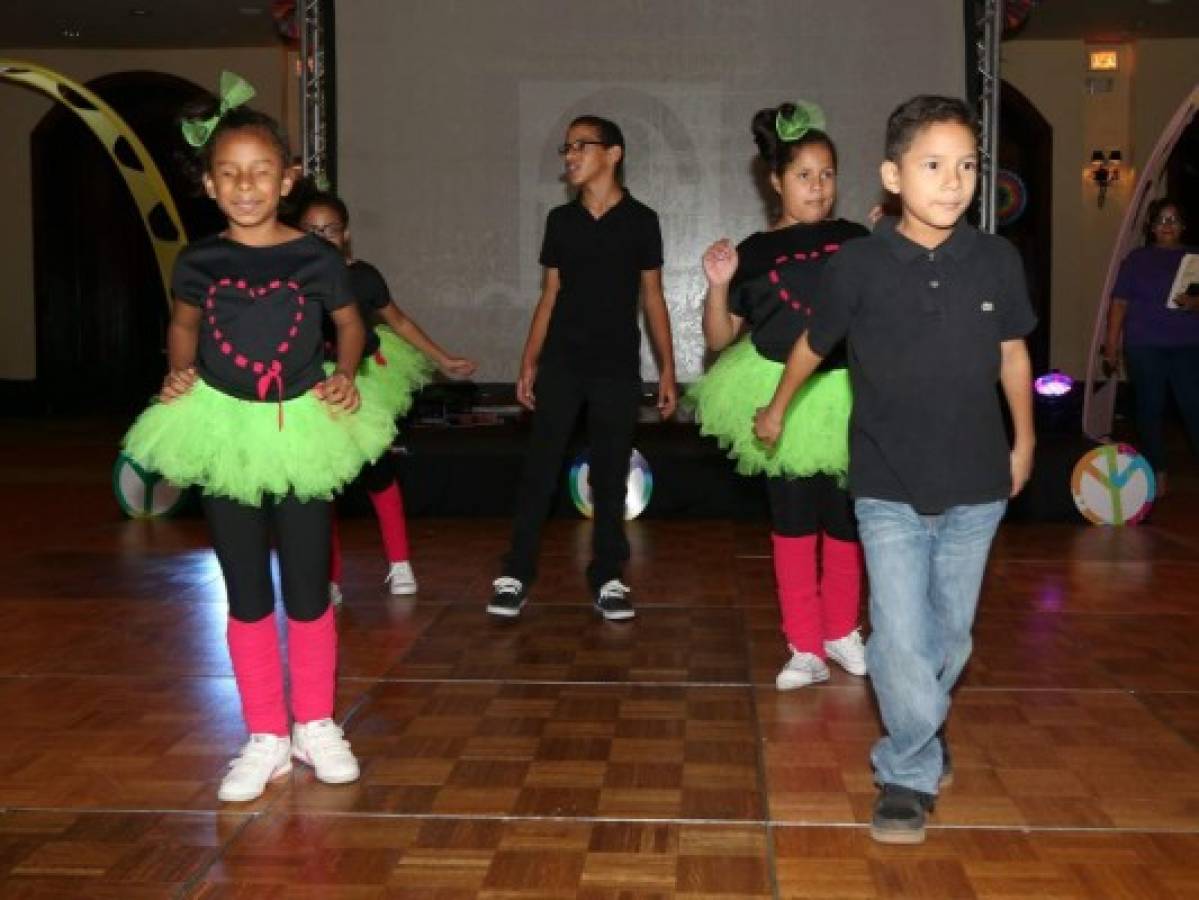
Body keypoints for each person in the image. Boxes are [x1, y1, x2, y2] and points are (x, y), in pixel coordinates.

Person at [754, 95, 1036, 844]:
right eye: (933, 165)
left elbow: (1012, 352)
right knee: (898, 636)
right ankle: (906, 771)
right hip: (885, 483)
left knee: (949, 640)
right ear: (890, 175)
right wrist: (779, 406)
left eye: (967, 165)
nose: (953, 182)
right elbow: (814, 344)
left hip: (977, 481)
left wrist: (1026, 442)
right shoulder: (858, 263)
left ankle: (919, 727)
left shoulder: (996, 260)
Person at [122, 73, 390, 802]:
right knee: (244, 588)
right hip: (222, 425)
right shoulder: (200, 262)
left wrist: (345, 373)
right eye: (231, 174)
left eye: (261, 172)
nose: (246, 186)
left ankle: (315, 722)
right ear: (209, 183)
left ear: (288, 179)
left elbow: (348, 323)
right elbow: (183, 326)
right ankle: (265, 733)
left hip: (300, 424)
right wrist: (178, 375)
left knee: (307, 583)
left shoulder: (315, 257)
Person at [691, 101, 868, 690]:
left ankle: (843, 632)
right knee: (793, 520)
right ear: (775, 182)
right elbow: (719, 339)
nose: (818, 188)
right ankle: (804, 646)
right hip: (779, 394)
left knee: (845, 519)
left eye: (827, 175)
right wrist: (718, 287)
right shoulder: (754, 253)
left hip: (846, 391)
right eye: (803, 176)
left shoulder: (854, 238)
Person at [488, 115, 677, 621]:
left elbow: (654, 299)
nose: (570, 155)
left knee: (612, 472)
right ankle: (516, 573)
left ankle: (610, 576)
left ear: (613, 154)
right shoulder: (560, 222)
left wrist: (667, 369)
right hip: (563, 364)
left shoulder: (642, 220)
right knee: (540, 468)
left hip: (615, 364)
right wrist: (529, 358)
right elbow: (549, 295)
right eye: (566, 147)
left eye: (581, 145)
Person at [297, 192, 476, 600]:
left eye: (330, 230)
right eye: (311, 230)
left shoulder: (362, 276)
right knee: (322, 484)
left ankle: (400, 564)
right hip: (312, 384)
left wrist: (443, 359)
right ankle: (330, 577)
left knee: (377, 471)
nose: (321, 237)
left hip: (362, 378)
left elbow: (400, 322)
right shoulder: (292, 280)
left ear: (346, 235)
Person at [1104, 198, 1199, 497]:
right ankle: (1157, 470)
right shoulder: (1136, 259)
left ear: (1183, 225)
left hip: (1188, 345)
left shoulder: (1196, 258)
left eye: (1173, 219)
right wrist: (1111, 342)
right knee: (1149, 409)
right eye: (1161, 220)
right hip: (1144, 345)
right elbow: (1119, 302)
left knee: (1193, 407)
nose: (1167, 225)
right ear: (1151, 227)